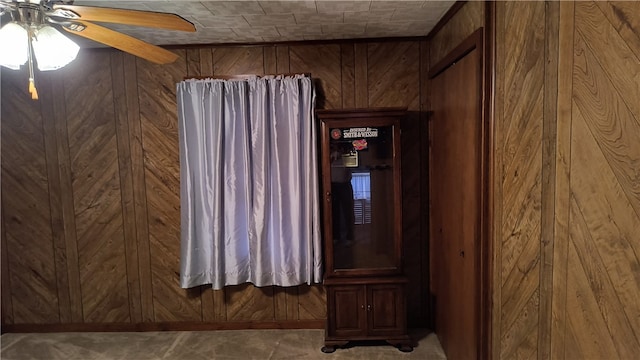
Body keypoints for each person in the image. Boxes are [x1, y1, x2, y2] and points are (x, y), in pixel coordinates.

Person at [330, 143, 355, 246]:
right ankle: (335, 236)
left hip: (345, 184)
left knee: (348, 211)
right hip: (332, 185)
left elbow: (351, 165)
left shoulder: (347, 153)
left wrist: (342, 154)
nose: (336, 149)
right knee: (333, 212)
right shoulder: (329, 154)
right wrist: (331, 157)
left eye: (338, 146)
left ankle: (350, 237)